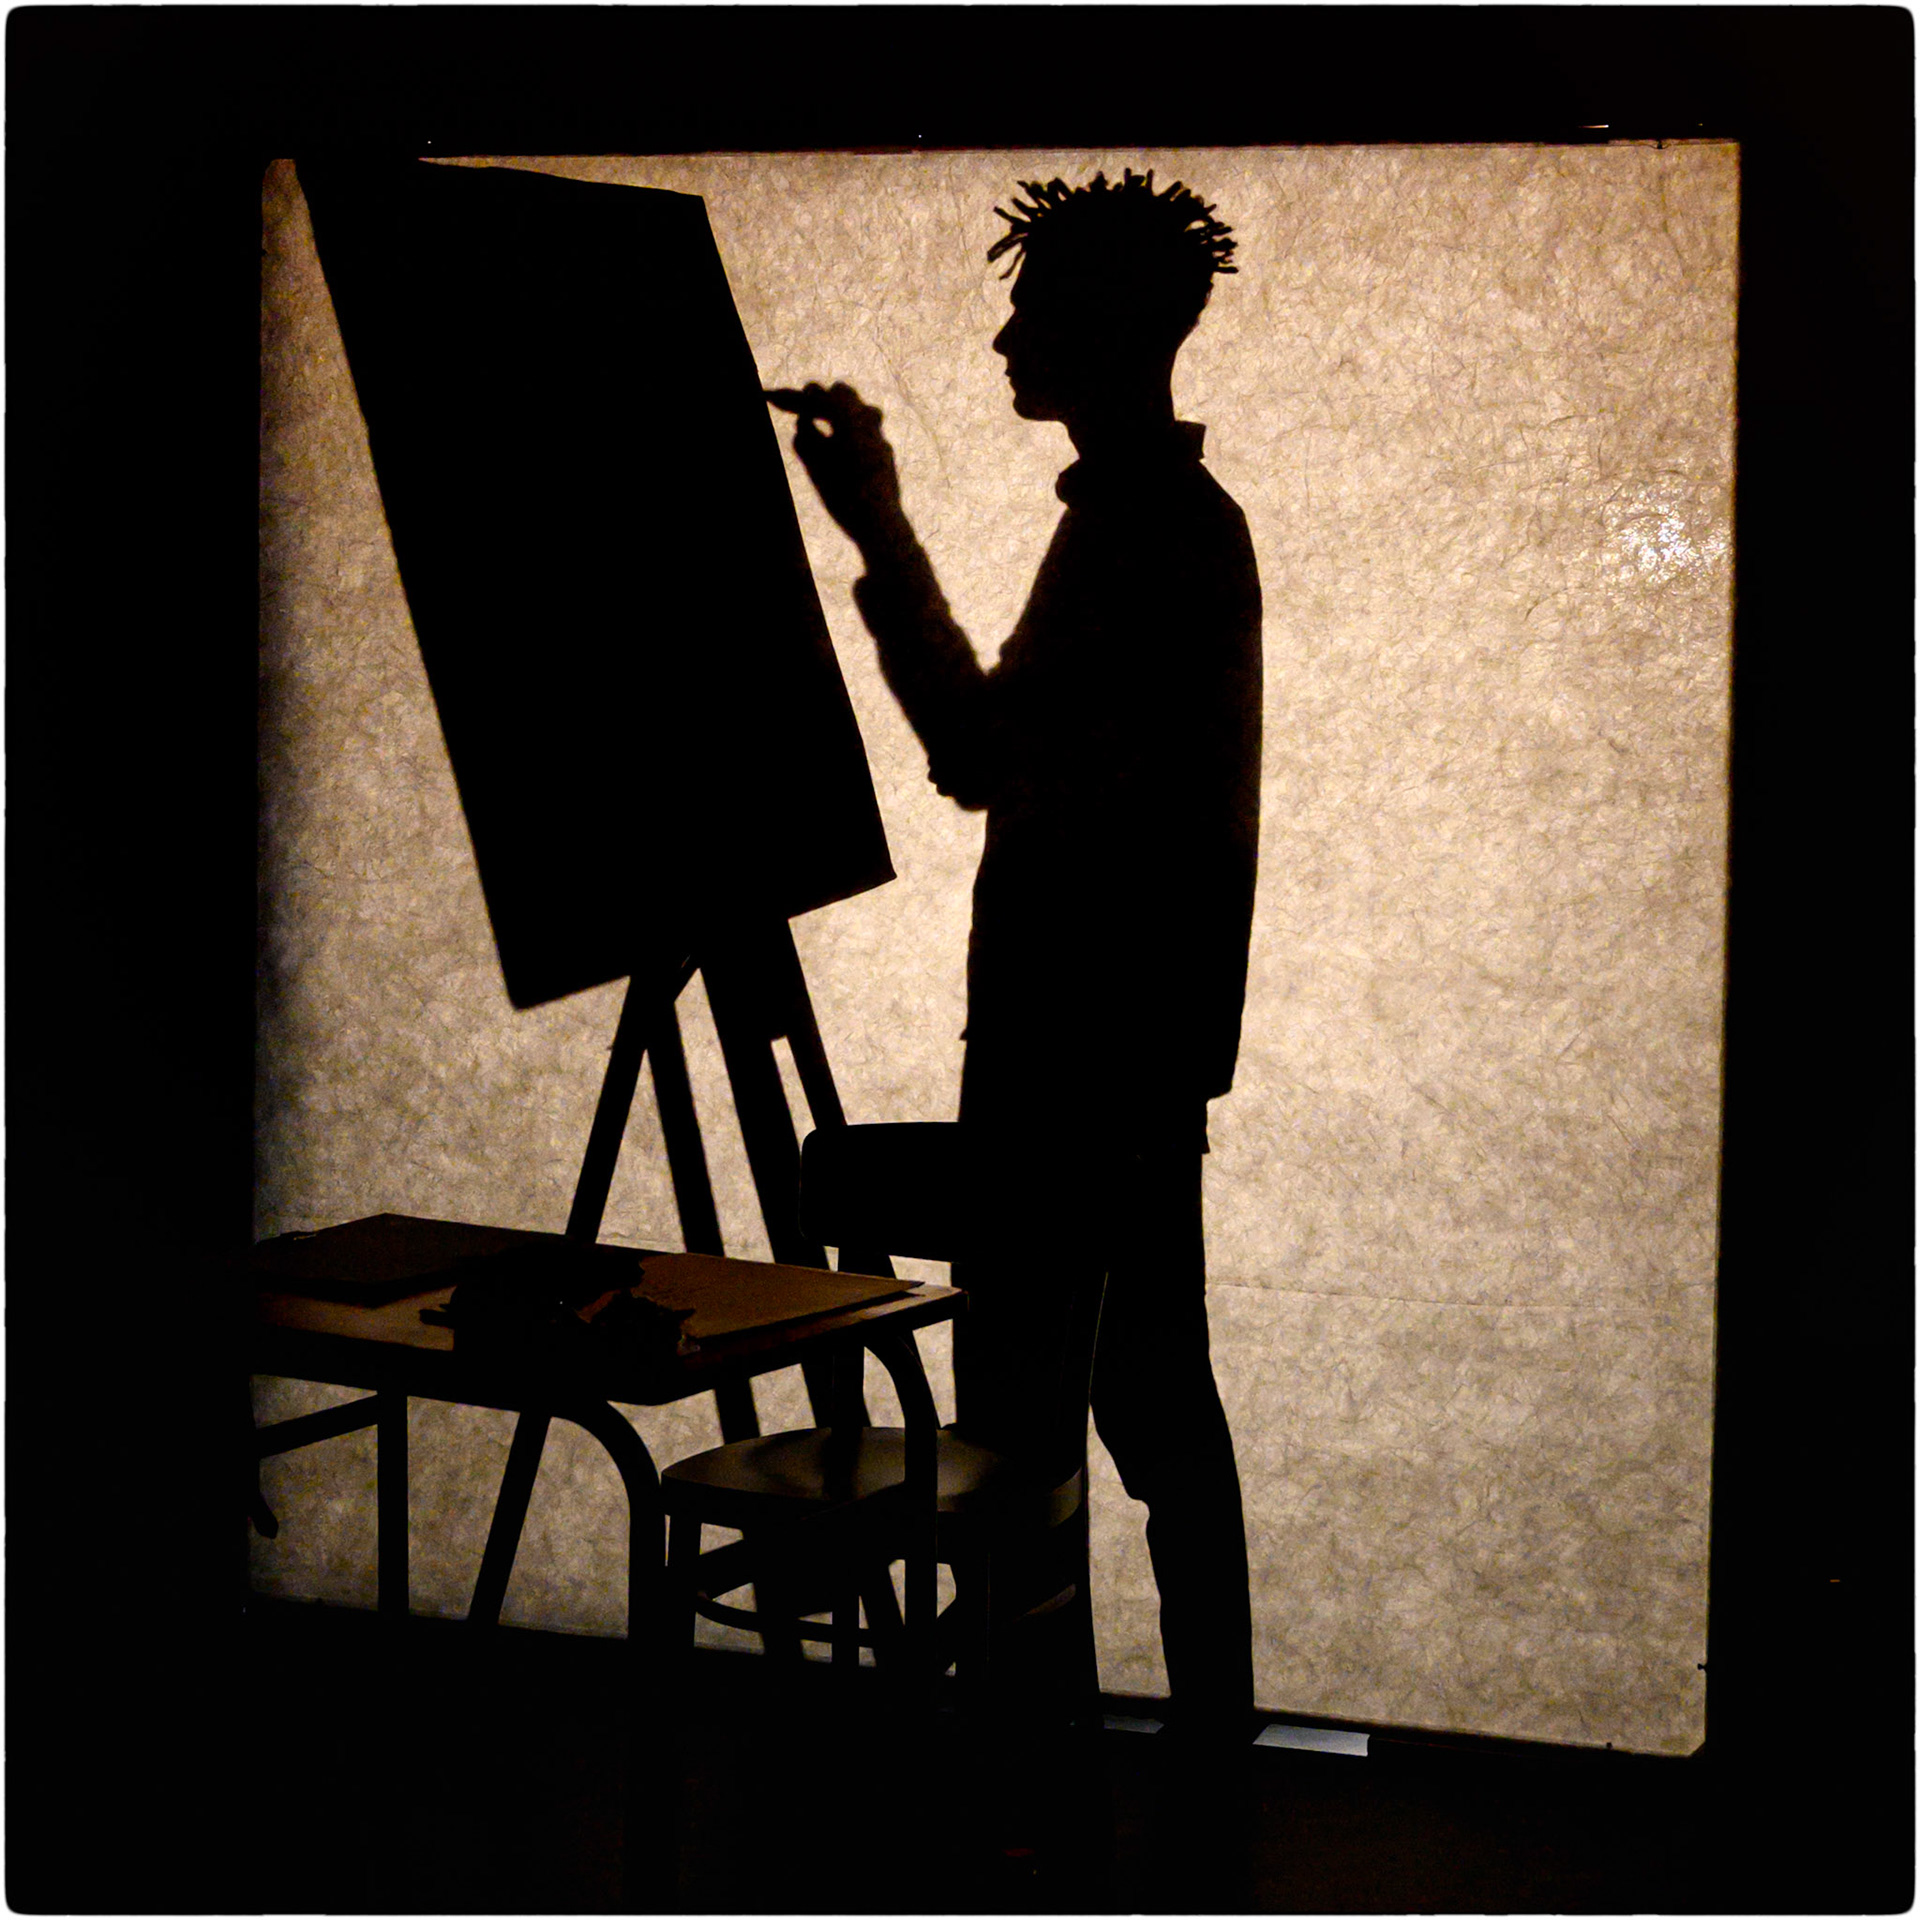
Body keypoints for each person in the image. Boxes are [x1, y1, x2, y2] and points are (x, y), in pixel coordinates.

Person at [768, 170, 1262, 1742]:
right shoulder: (1172, 525)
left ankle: (1029, 1782)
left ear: (1101, 333)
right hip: (1134, 1068)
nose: (1002, 338)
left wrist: (878, 526)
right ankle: (1203, 1754)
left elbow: (981, 753)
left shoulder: (1144, 537)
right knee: (1156, 1417)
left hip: (1075, 1074)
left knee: (1025, 1448)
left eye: (1032, 309)